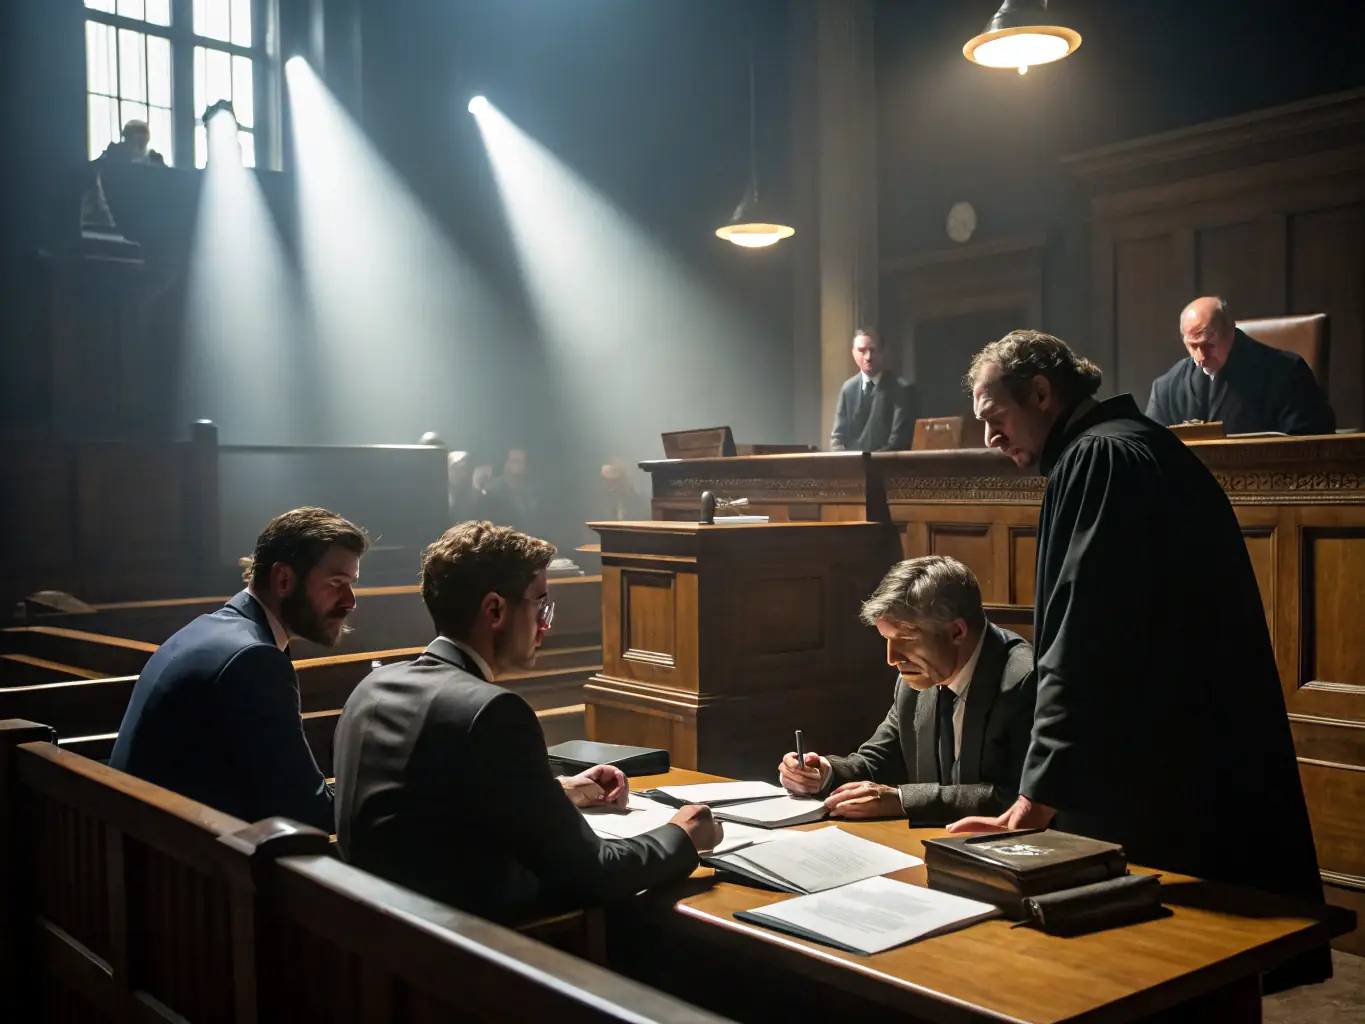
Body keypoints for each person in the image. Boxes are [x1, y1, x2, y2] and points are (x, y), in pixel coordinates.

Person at [959, 329, 1328, 989]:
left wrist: (1036, 795)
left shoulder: (1099, 459)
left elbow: (1084, 635)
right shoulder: (1134, 445)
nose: (988, 438)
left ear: (1041, 393)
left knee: (1147, 976)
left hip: (1153, 775)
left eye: (995, 418)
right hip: (1191, 754)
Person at [332, 521, 719, 924]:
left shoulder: (372, 688)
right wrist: (683, 835)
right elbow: (595, 873)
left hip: (378, 943)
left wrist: (554, 792)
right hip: (477, 961)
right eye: (541, 604)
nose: (546, 624)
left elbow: (434, 812)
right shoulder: (492, 710)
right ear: (495, 610)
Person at [110, 508, 368, 831]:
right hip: (178, 863)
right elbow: (306, 810)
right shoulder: (254, 660)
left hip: (145, 841)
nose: (350, 601)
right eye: (336, 583)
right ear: (284, 580)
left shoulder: (211, 628)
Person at [778, 556, 1034, 823]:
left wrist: (903, 801)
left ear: (956, 632)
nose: (892, 657)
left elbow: (1019, 798)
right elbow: (879, 760)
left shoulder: (1025, 681)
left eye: (907, 639)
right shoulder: (916, 679)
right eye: (887, 640)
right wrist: (823, 773)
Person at [1145, 296, 1334, 436]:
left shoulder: (1287, 373)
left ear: (1230, 331)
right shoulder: (1166, 388)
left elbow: (1310, 443)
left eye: (1209, 344)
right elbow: (1150, 448)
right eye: (1192, 346)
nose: (1201, 357)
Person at [830, 328, 916, 452]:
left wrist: (865, 463)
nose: (868, 357)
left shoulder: (901, 390)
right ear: (853, 353)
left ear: (882, 353)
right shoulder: (848, 389)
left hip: (886, 467)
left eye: (872, 350)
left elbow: (898, 442)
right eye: (862, 351)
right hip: (851, 468)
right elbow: (837, 438)